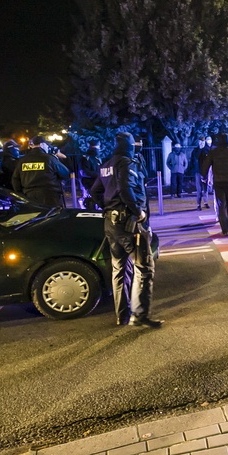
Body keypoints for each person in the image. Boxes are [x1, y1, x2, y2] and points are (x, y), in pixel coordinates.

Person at [91, 132, 162, 328]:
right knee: (144, 268)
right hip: (129, 225)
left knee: (119, 270)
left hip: (111, 225)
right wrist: (137, 212)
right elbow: (125, 188)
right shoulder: (126, 163)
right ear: (130, 146)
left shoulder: (106, 165)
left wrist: (108, 207)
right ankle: (140, 316)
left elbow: (95, 191)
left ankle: (121, 316)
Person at [12, 136, 70, 208]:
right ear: (42, 145)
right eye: (47, 145)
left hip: (29, 196)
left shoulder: (23, 160)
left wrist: (21, 194)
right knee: (52, 217)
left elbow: (15, 179)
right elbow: (65, 173)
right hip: (49, 196)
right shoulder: (50, 158)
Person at [201, 133, 228, 236]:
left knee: (220, 204)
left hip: (218, 181)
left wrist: (203, 176)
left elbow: (205, 166)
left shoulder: (213, 152)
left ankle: (224, 227)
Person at [190, 136, 211, 210]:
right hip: (198, 172)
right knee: (199, 189)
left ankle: (206, 202)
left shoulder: (207, 149)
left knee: (205, 188)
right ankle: (198, 204)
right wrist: (200, 149)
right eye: (201, 142)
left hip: (206, 171)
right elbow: (195, 157)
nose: (202, 143)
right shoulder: (196, 150)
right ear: (198, 142)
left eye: (203, 142)